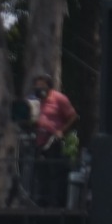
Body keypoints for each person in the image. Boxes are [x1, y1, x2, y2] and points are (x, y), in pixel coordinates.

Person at [30, 73, 79, 208]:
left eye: (42, 86)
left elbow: (73, 116)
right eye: (37, 86)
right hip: (38, 141)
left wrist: (61, 131)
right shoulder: (35, 101)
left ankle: (56, 202)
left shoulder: (59, 99)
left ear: (49, 86)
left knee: (55, 172)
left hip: (53, 141)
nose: (39, 89)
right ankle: (41, 202)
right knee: (40, 173)